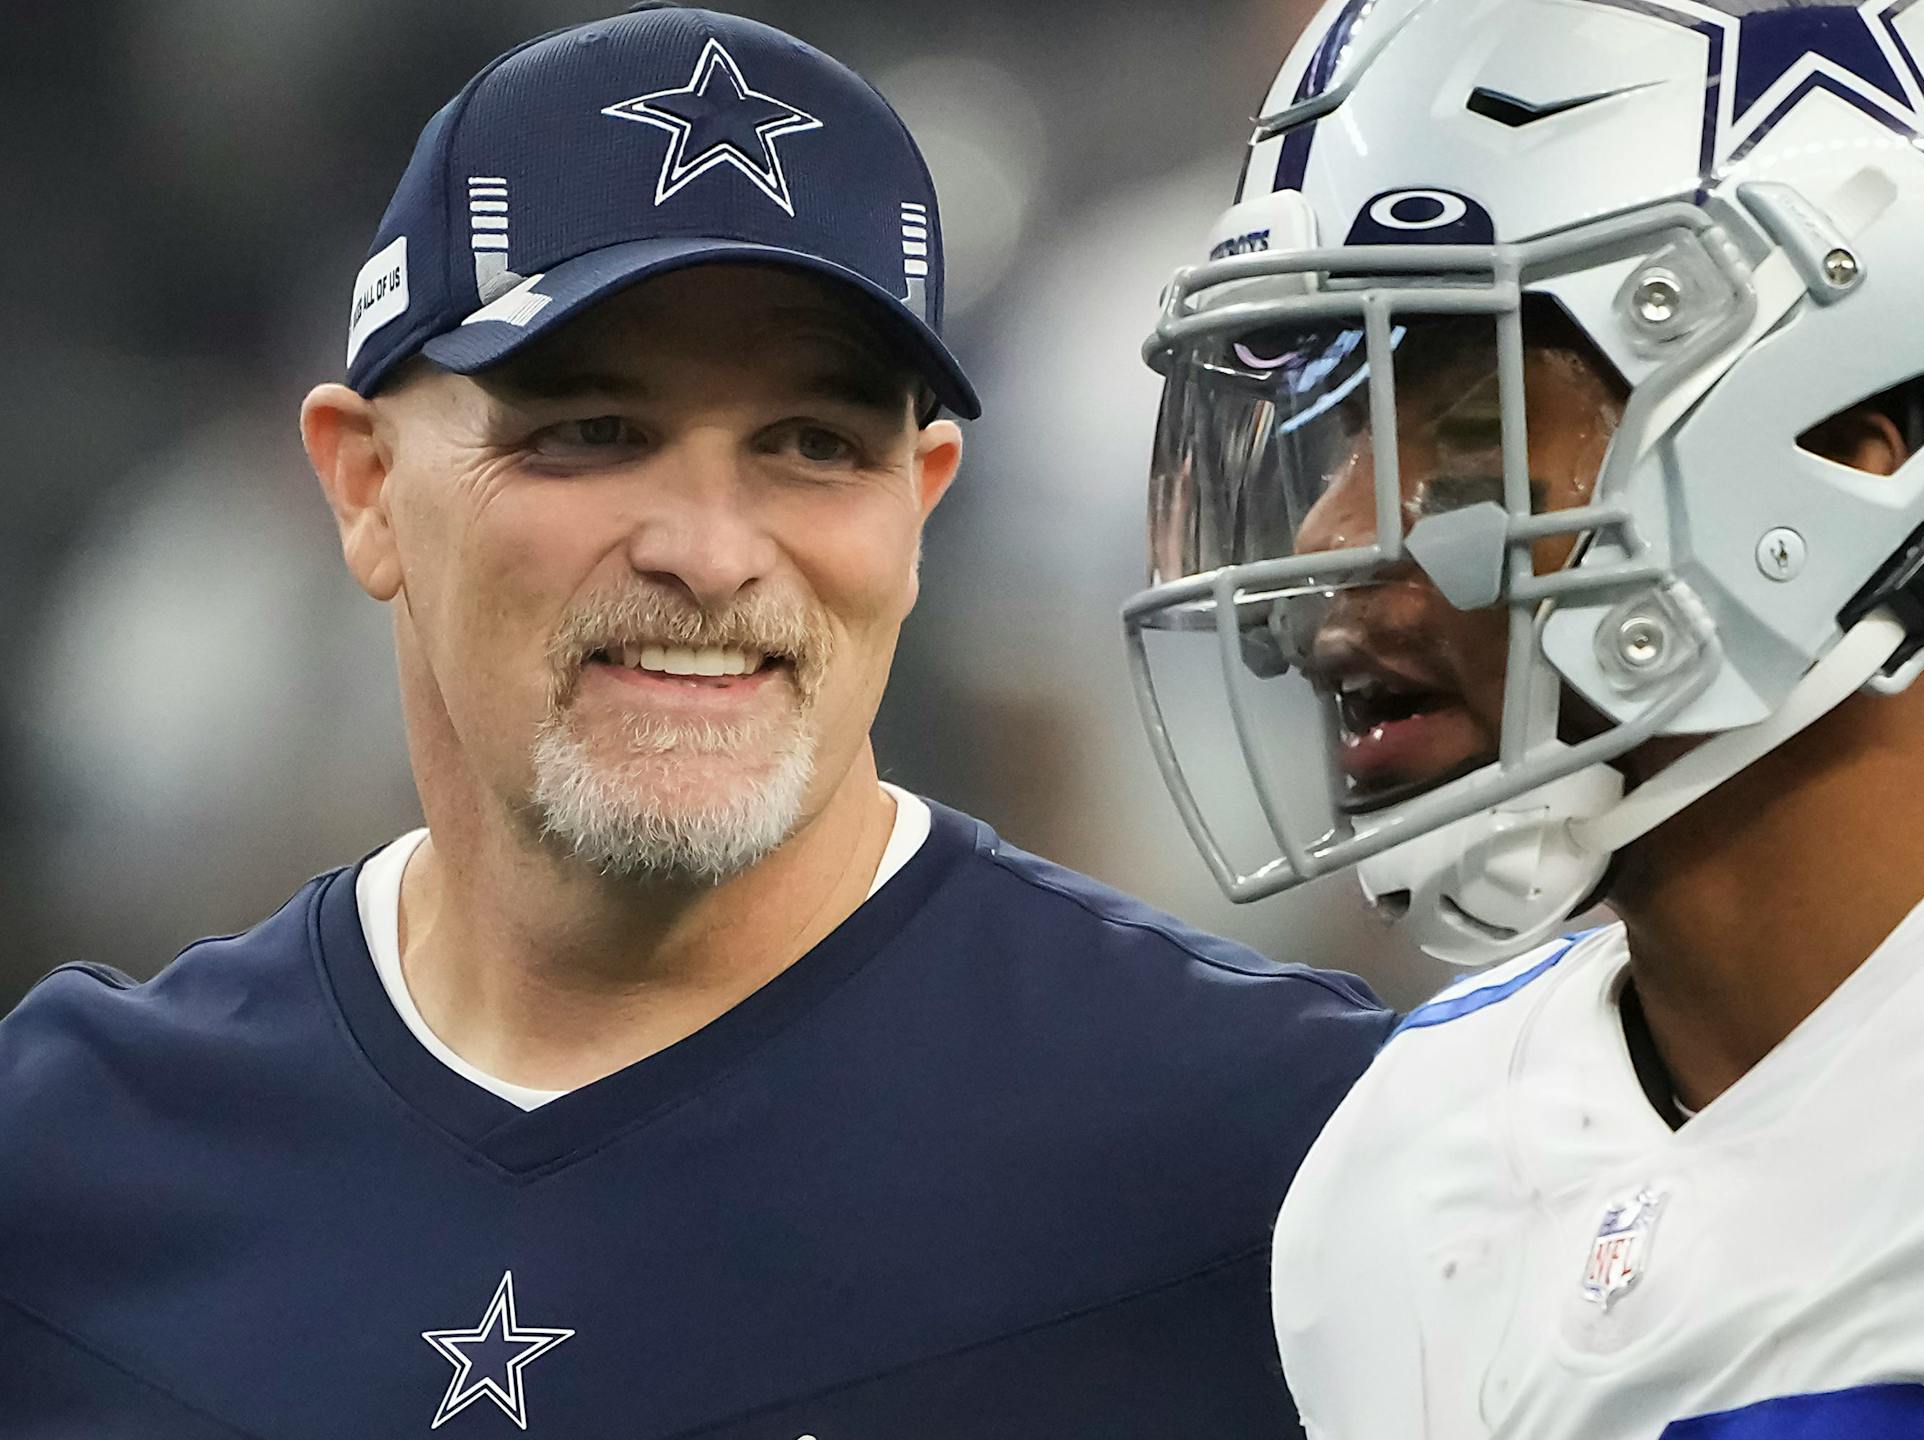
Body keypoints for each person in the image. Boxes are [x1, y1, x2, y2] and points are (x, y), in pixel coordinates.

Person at [0, 8, 1393, 1436]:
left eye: (813, 446)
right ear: (363, 488)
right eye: (592, 430)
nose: (712, 550)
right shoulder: (68, 1160)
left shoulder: (1293, 1151)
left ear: (919, 507)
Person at [1123, 0, 1924, 1434]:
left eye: (1470, 434)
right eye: (1334, 436)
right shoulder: (1409, 1162)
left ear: (1864, 438)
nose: (1328, 569)